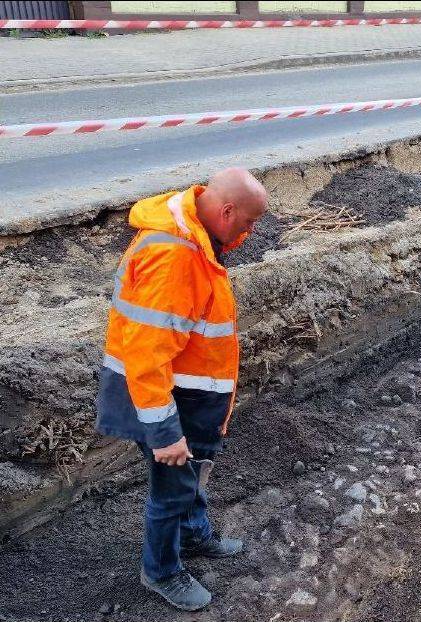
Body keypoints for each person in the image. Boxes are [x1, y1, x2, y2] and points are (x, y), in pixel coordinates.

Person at [96, 167, 268, 611]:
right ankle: (161, 572)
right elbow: (146, 354)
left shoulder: (196, 236)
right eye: (248, 224)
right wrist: (165, 433)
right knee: (172, 488)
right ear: (226, 210)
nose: (249, 234)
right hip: (163, 401)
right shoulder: (175, 257)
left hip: (185, 394)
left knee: (190, 475)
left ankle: (194, 536)